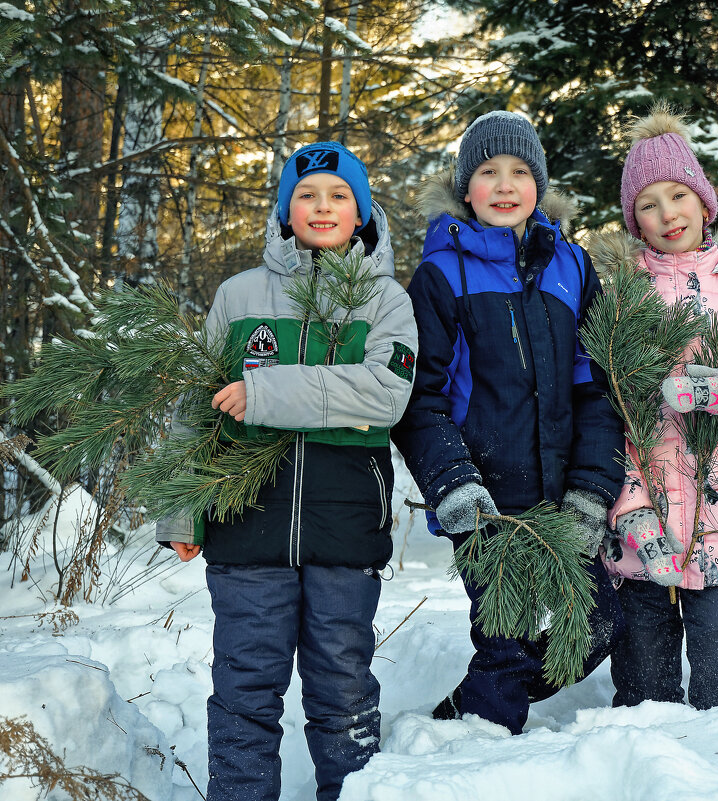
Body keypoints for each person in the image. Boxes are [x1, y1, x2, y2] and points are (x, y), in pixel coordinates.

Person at [156, 141, 418, 801]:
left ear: (361, 213)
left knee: (344, 688)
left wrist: (267, 395)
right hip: (245, 528)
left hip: (345, 531)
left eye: (338, 195)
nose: (322, 206)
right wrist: (181, 508)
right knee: (244, 686)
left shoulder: (387, 300)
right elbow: (197, 405)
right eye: (307, 194)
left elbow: (384, 394)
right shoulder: (238, 296)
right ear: (284, 209)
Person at [392, 110, 626, 735]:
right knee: (506, 637)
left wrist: (591, 490)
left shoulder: (572, 269)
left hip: (562, 494)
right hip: (484, 500)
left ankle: (469, 707)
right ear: (465, 187)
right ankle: (484, 749)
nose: (504, 184)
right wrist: (454, 485)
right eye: (488, 171)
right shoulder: (441, 276)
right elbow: (421, 399)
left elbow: (598, 389)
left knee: (599, 624)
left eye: (520, 171)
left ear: (539, 184)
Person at [593, 105, 718, 710]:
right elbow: (603, 413)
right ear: (634, 218)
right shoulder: (618, 293)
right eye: (648, 203)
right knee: (643, 693)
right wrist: (630, 508)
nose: (667, 214)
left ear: (703, 200)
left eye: (678, 195)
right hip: (643, 517)